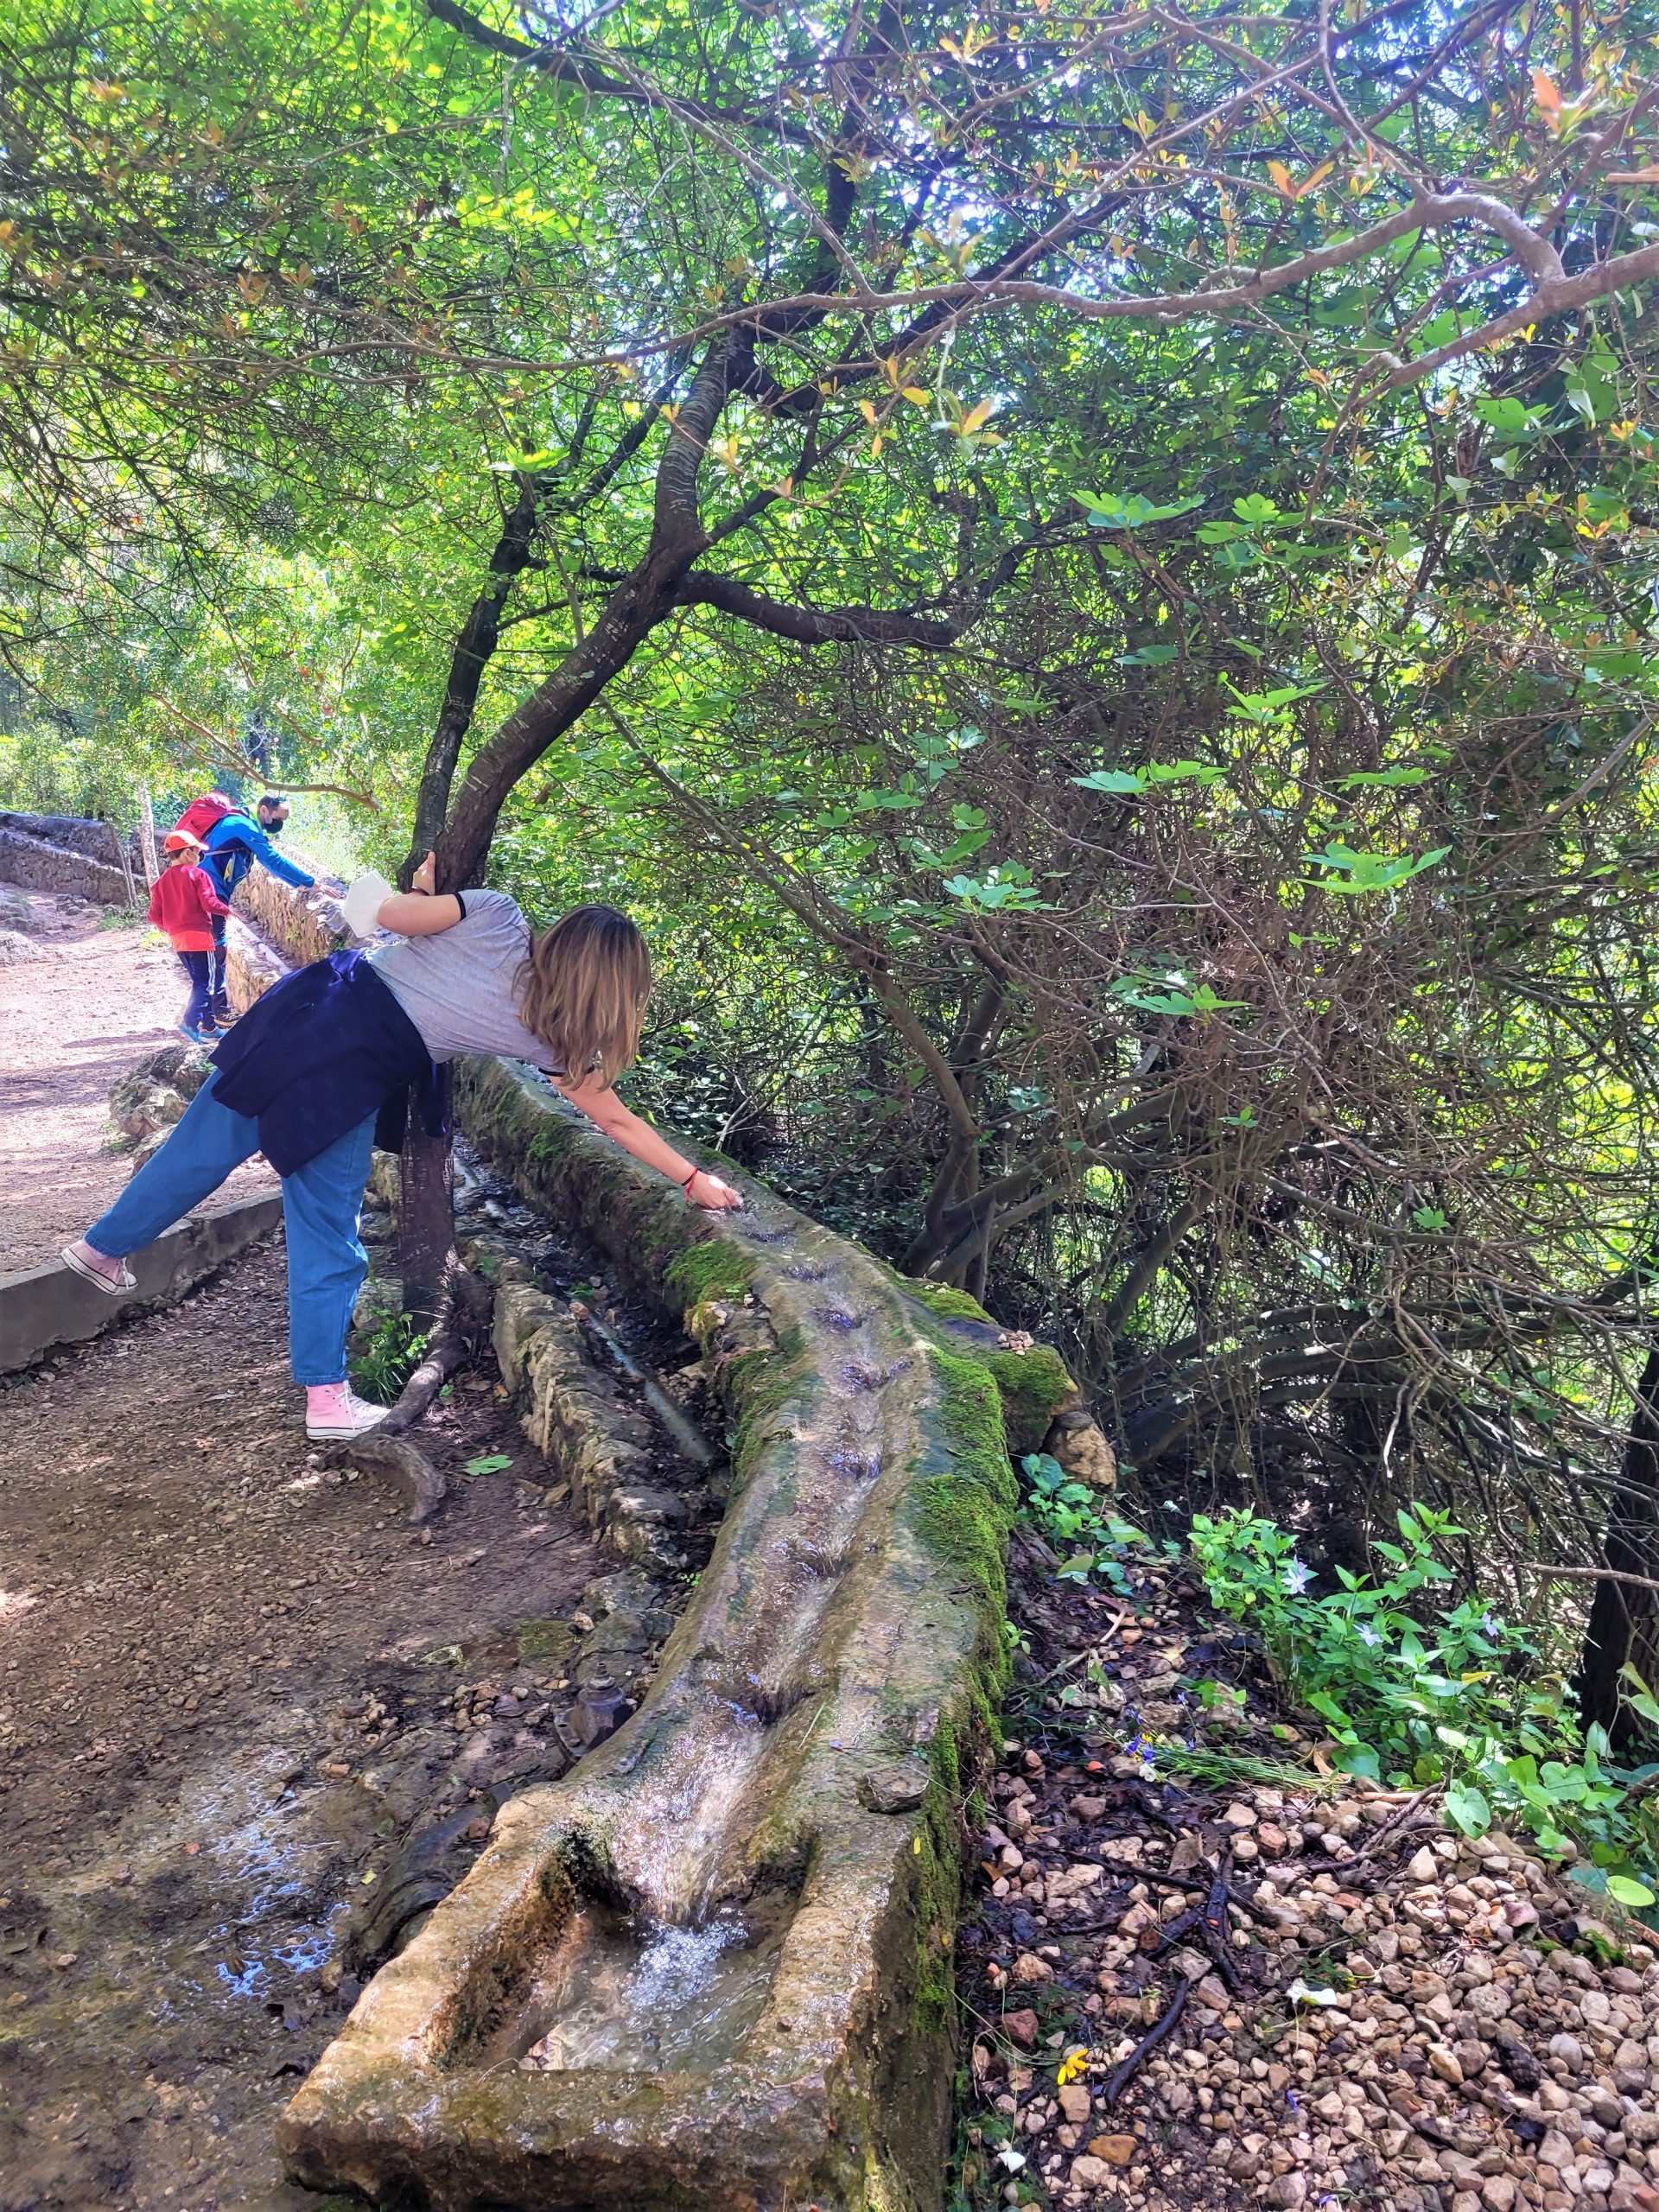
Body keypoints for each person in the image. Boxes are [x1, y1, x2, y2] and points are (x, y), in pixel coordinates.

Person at [60, 856, 743, 1440]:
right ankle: (326, 1401)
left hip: (301, 1013)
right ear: (618, 991)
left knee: (198, 1148)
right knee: (327, 1233)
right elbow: (619, 1123)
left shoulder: (495, 914)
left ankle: (101, 1249)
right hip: (347, 1074)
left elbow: (377, 914)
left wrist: (418, 891)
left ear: (560, 934)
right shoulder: (551, 1037)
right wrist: (694, 1179)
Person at [197, 793, 318, 1026]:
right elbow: (272, 859)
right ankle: (215, 1013)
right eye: (278, 818)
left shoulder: (243, 822)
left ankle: (207, 1013)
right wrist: (311, 882)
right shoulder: (243, 825)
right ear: (264, 810)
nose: (279, 824)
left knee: (212, 949)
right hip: (210, 892)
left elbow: (268, 862)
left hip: (211, 890)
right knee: (216, 949)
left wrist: (301, 883)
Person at [149, 830, 233, 1043]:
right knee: (208, 983)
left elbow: (154, 916)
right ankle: (190, 1022)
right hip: (200, 938)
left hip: (178, 940)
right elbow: (209, 903)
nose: (199, 856)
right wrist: (227, 911)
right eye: (197, 851)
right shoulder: (198, 875)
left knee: (199, 982)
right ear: (188, 853)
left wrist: (172, 927)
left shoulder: (160, 883)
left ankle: (209, 1028)